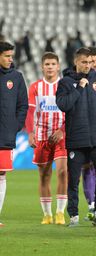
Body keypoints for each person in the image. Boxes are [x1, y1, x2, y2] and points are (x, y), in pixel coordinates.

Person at [56, 47, 96, 227]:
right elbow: (63, 105)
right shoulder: (65, 82)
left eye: (90, 62)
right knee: (73, 179)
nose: (88, 66)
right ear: (76, 62)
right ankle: (73, 215)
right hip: (76, 140)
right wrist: (78, 88)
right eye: (84, 62)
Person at [25, 52, 68, 225]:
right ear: (42, 67)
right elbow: (30, 112)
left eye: (53, 64)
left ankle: (60, 212)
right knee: (44, 176)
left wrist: (62, 130)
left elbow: (71, 111)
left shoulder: (65, 86)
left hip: (61, 136)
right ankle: (47, 214)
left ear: (58, 66)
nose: (50, 67)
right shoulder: (36, 87)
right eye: (47, 64)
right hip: (42, 136)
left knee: (64, 172)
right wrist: (30, 132)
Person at [0, 41, 28, 226]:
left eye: (11, 56)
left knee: (1, 174)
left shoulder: (16, 78)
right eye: (7, 56)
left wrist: (14, 126)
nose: (11, 59)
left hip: (5, 134)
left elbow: (22, 105)